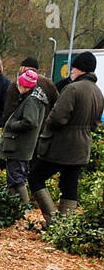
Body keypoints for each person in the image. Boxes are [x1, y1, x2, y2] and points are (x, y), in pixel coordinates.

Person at [29, 51, 104, 229]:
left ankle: (52, 220)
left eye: (73, 68)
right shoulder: (98, 92)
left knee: (35, 178)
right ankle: (65, 227)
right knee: (70, 185)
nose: (71, 71)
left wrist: (48, 128)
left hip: (62, 145)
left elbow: (57, 118)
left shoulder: (72, 89)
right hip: (83, 145)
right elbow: (95, 124)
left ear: (79, 70)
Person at [0, 67, 49, 210]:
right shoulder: (35, 97)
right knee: (15, 176)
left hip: (19, 145)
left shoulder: (32, 101)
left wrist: (12, 125)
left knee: (16, 177)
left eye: (20, 84)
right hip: (22, 146)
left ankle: (24, 208)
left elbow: (30, 121)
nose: (17, 86)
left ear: (26, 86)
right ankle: (15, 207)